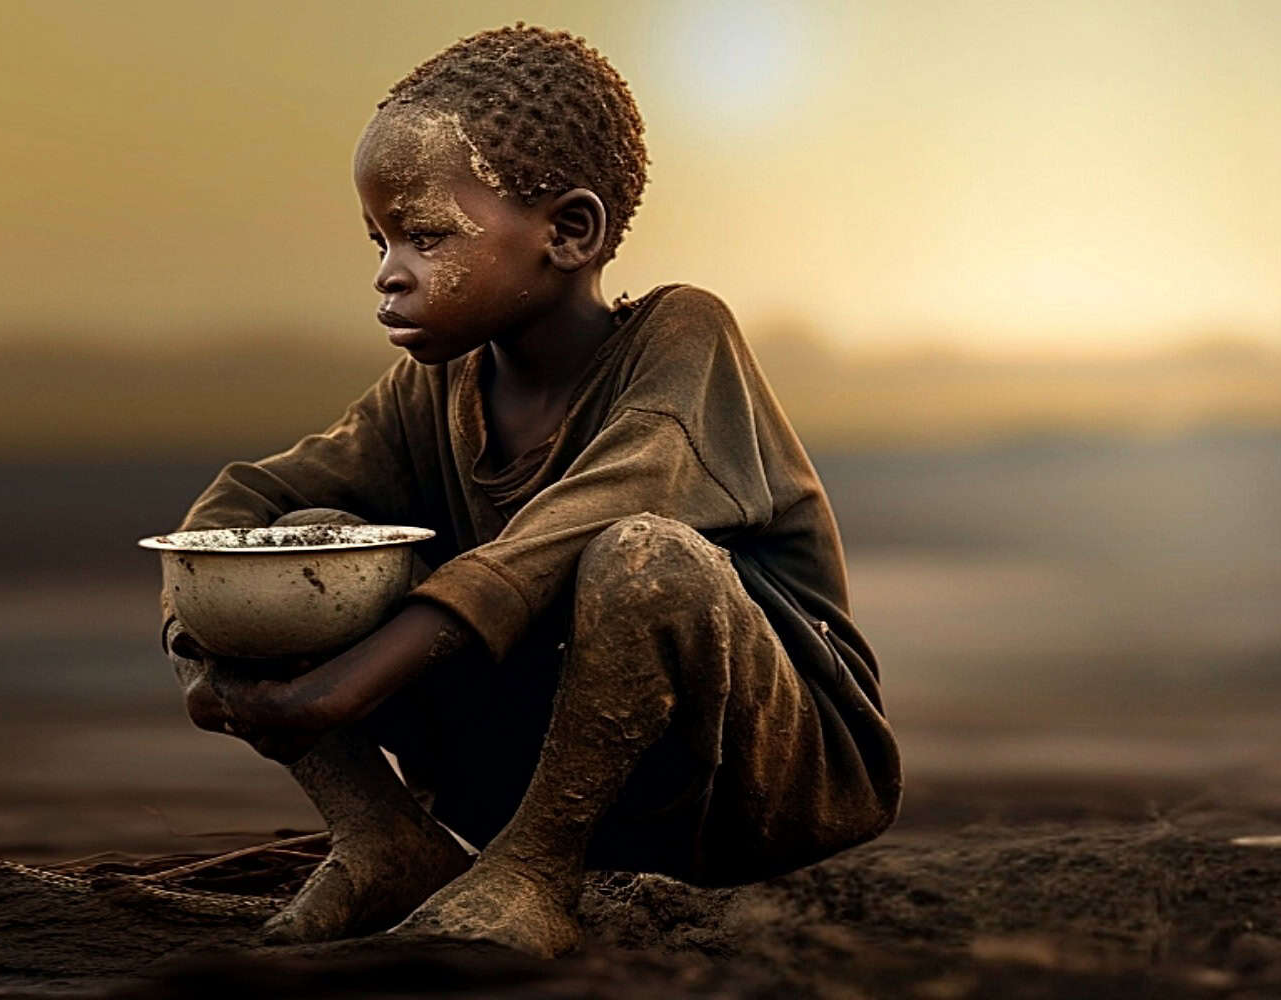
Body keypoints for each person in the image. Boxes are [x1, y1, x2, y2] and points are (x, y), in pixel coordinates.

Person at [160, 23, 901, 958]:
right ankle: (385, 839)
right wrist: (197, 633)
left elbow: (566, 532)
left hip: (753, 781)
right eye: (380, 239)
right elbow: (251, 498)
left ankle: (537, 872)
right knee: (304, 541)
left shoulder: (683, 340)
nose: (389, 274)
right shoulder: (435, 388)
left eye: (428, 236)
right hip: (541, 767)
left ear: (569, 231)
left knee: (644, 559)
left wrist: (342, 688)